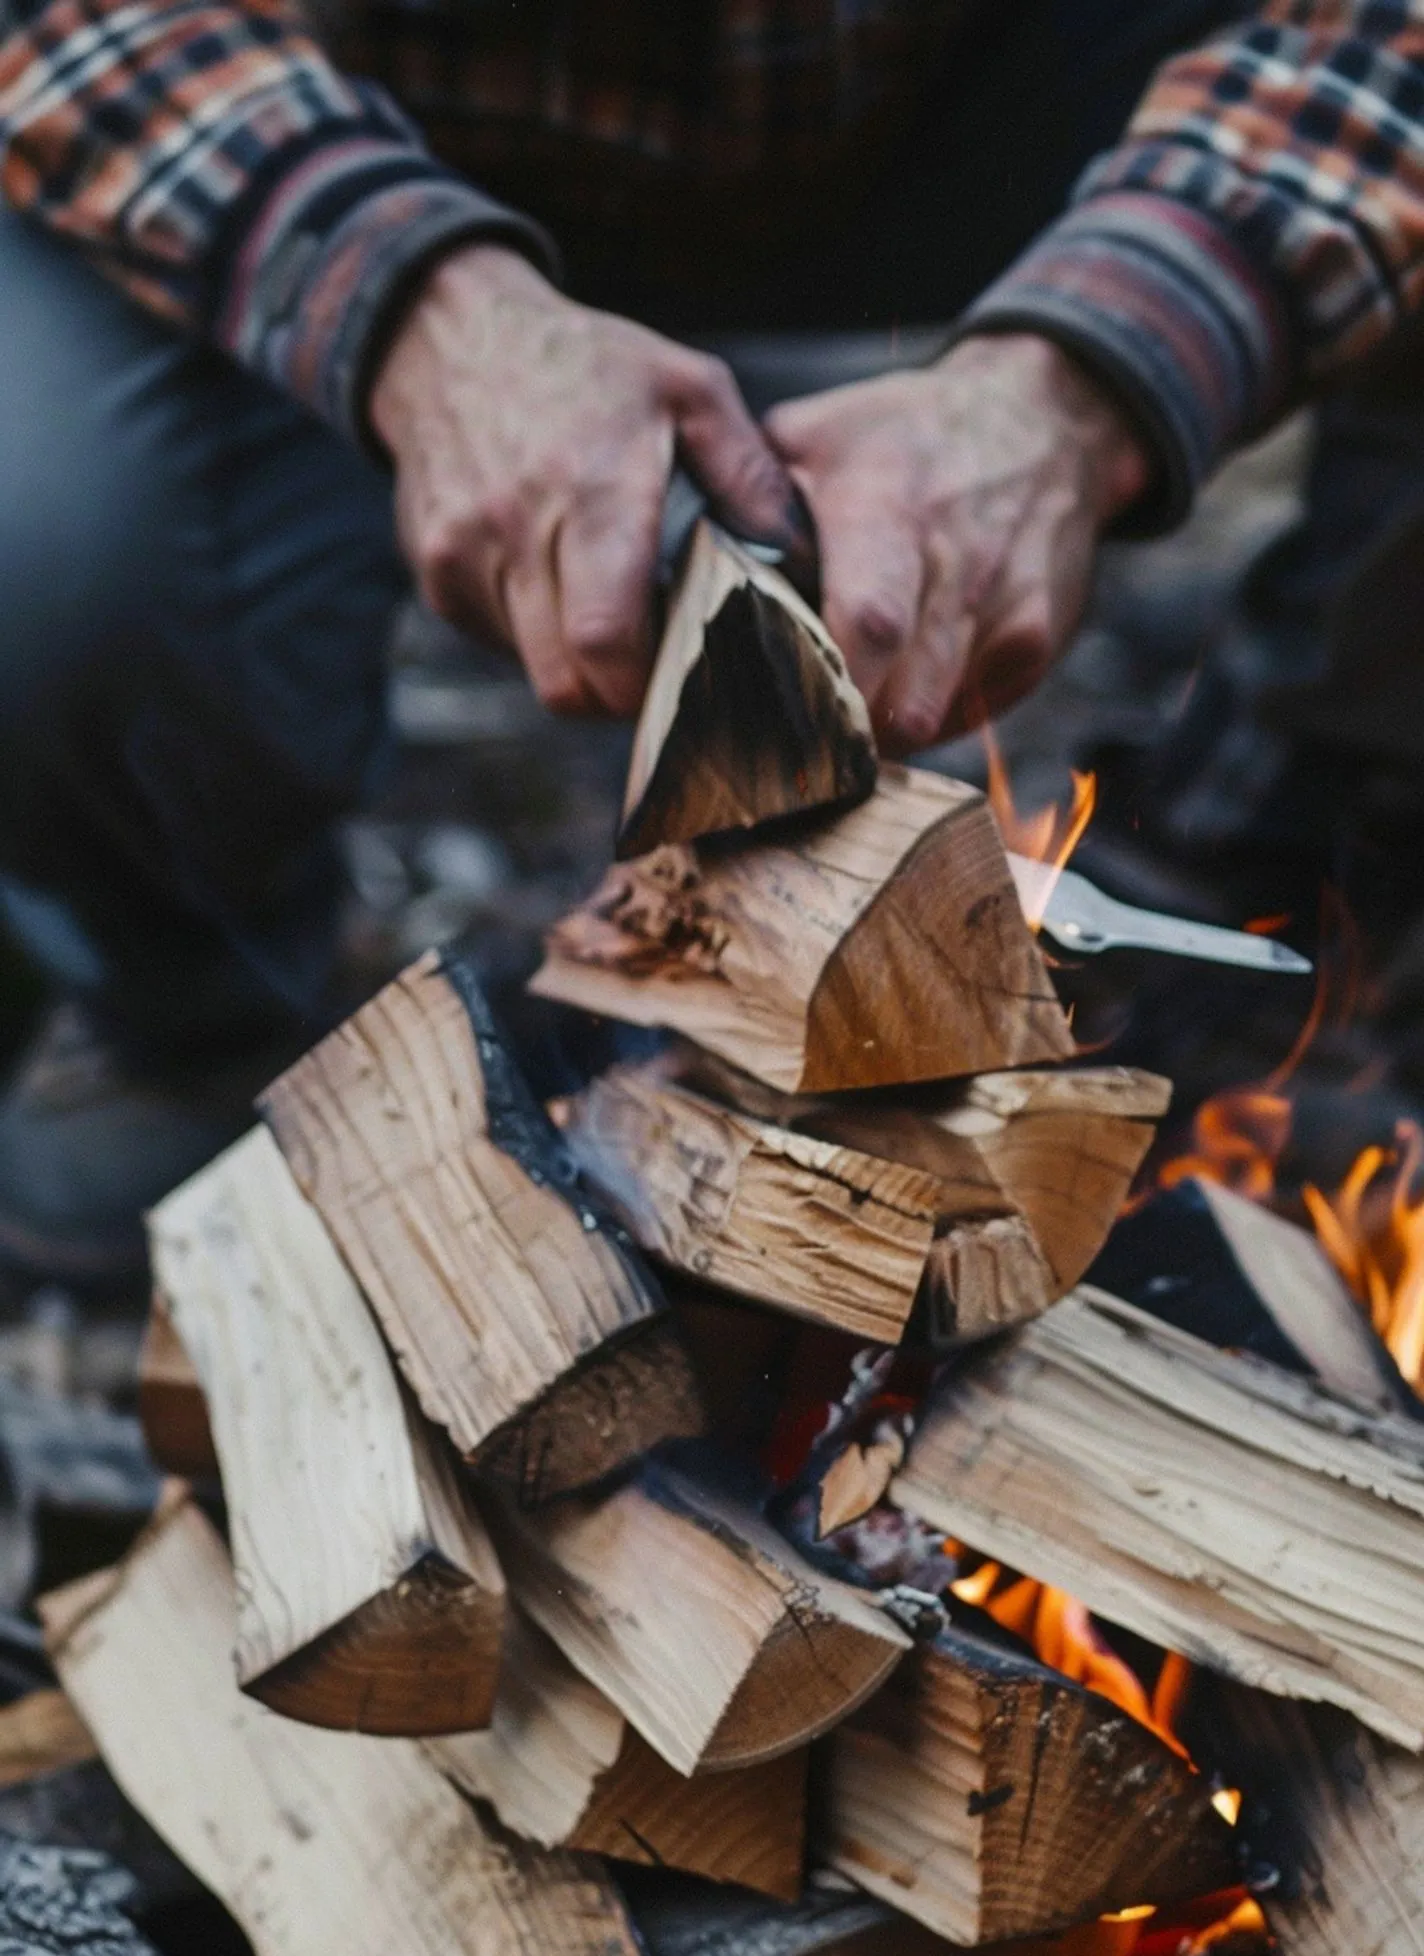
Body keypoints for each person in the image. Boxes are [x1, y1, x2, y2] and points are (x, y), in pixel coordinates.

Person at [0, 0, 1420, 1282]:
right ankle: (203, 1000)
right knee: (48, 519)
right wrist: (404, 294)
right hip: (345, 96)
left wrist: (1100, 360)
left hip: (977, 90)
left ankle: (1263, 856)